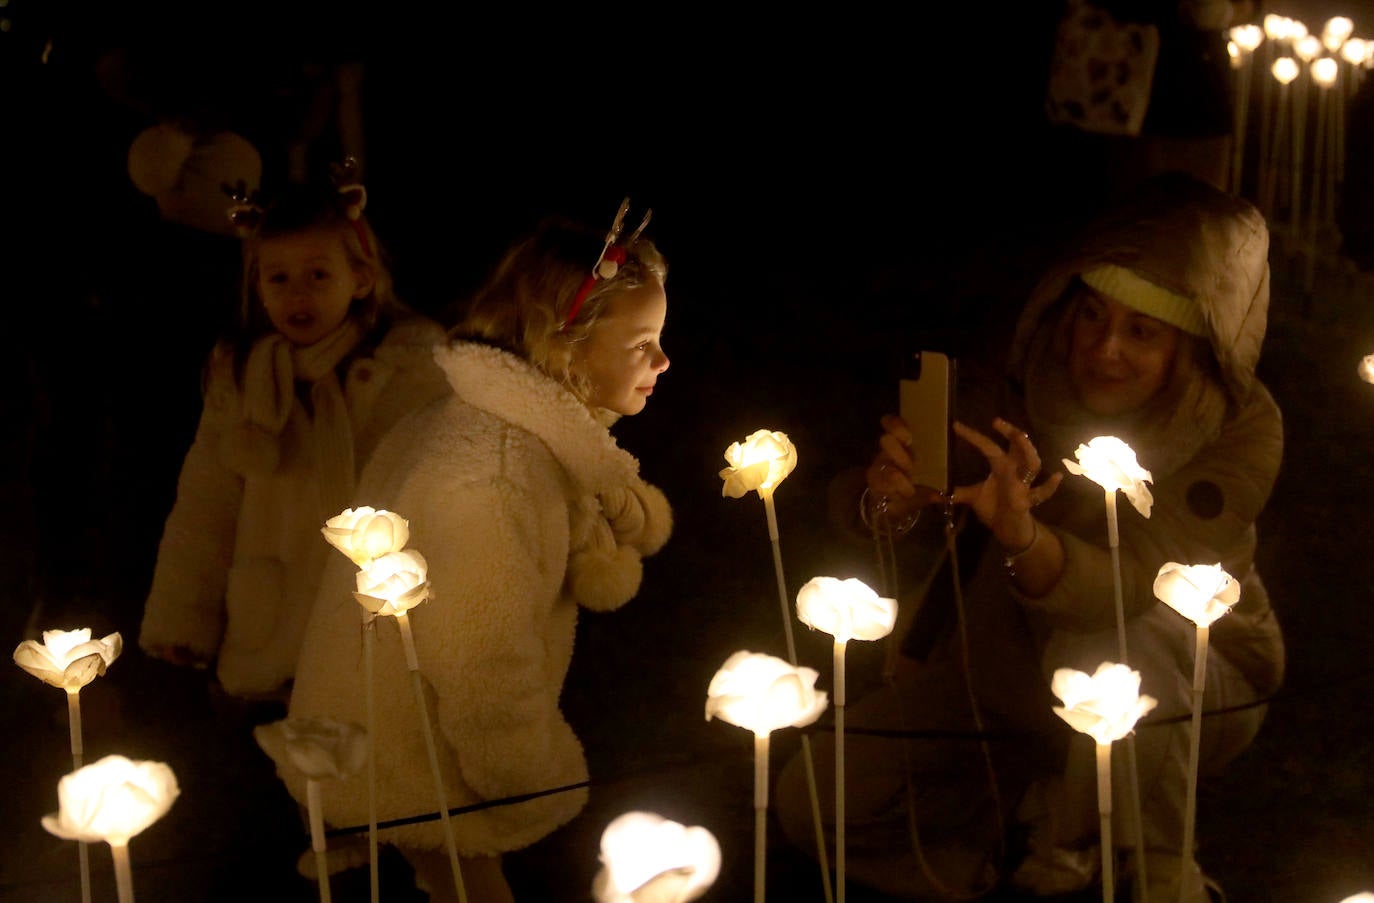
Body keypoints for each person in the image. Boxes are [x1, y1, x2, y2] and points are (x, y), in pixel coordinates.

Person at [776, 172, 1283, 902]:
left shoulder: (1238, 427)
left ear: (1192, 346)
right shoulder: (1025, 375)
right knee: (813, 798)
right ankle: (1009, 842)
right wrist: (888, 497)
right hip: (1003, 663)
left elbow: (1124, 585)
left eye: (1141, 331)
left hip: (1185, 681)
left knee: (1119, 640)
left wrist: (1022, 537)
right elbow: (918, 491)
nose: (1104, 349)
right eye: (1091, 316)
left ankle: (1148, 863)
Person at [264, 202, 674, 901]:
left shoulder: (481, 425)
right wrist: (530, 774)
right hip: (417, 762)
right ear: (567, 341)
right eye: (640, 343)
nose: (664, 360)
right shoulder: (498, 473)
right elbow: (480, 657)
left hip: (393, 745)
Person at [137, 171, 449, 704]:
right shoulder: (242, 381)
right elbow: (206, 507)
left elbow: (439, 493)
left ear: (361, 278)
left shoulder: (408, 375)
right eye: (278, 278)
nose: (296, 293)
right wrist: (183, 621)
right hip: (270, 626)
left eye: (317, 275)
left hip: (379, 622)